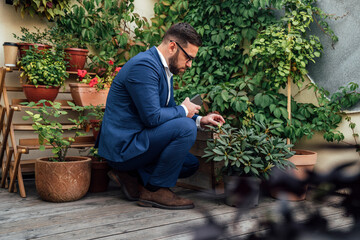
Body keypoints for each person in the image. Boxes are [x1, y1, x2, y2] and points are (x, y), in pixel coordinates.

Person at [97, 22, 225, 210]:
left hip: (139, 141)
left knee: (189, 164)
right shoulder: (144, 66)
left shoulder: (163, 68)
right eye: (188, 57)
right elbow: (152, 117)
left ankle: (130, 176)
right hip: (123, 147)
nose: (189, 64)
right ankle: (155, 190)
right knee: (185, 128)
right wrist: (183, 110)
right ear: (173, 46)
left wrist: (200, 120)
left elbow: (169, 110)